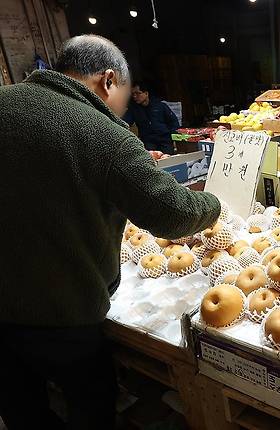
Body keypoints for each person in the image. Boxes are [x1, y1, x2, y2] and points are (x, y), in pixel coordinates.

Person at [0, 35, 221, 429]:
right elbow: (173, 216)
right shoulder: (102, 133)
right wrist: (214, 203)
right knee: (90, 408)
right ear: (108, 81)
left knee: (22, 412)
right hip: (64, 315)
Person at [123, 81, 180, 154]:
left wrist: (174, 137)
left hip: (165, 140)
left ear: (146, 93)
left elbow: (173, 122)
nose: (134, 96)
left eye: (138, 93)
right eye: (133, 94)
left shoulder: (160, 106)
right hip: (148, 142)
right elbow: (125, 123)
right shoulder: (134, 109)